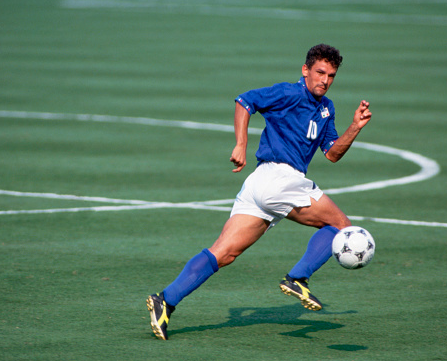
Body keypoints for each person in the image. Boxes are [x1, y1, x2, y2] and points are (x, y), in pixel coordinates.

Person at [147, 44, 372, 340]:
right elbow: (245, 101)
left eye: (331, 75)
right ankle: (298, 277)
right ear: (305, 70)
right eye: (319, 72)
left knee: (224, 253)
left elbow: (331, 153)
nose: (325, 80)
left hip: (262, 186)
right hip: (279, 179)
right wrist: (240, 144)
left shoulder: (326, 108)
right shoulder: (289, 93)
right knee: (341, 225)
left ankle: (166, 300)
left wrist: (355, 127)